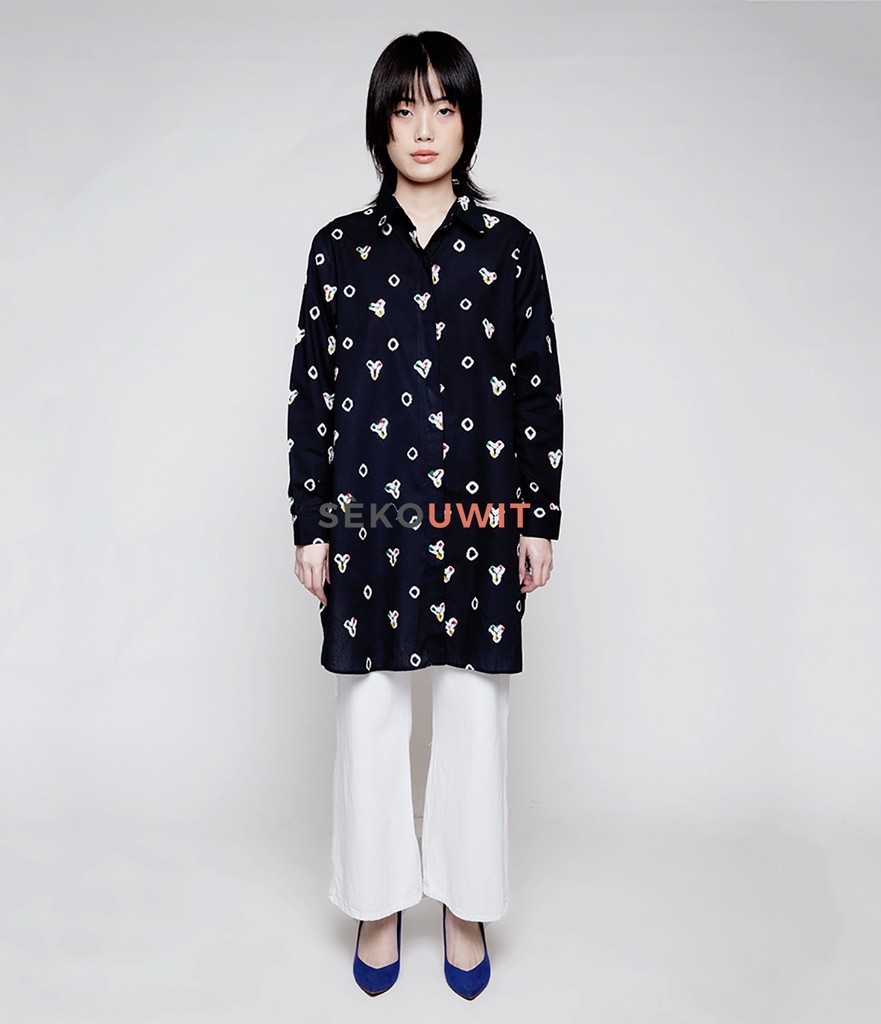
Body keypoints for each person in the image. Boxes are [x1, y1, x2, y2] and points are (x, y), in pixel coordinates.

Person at [286, 30, 564, 999]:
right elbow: (312, 394)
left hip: (483, 513)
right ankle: (376, 900)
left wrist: (538, 518)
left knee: (474, 710)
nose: (424, 128)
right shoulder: (339, 250)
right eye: (405, 108)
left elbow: (537, 388)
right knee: (369, 707)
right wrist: (311, 522)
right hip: (368, 516)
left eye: (443, 108)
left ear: (467, 122)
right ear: (381, 123)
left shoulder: (509, 249)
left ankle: (464, 900)